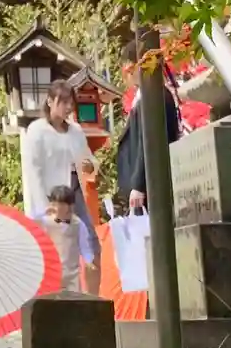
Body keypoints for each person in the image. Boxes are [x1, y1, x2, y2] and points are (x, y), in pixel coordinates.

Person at [20, 79, 100, 294]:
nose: (68, 107)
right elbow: (33, 170)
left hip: (74, 191)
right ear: (50, 101)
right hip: (51, 197)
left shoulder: (75, 130)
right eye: (63, 102)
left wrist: (90, 165)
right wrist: (42, 205)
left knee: (91, 242)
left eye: (70, 103)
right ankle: (53, 296)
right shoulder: (37, 130)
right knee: (56, 247)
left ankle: (93, 298)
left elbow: (89, 158)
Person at [117, 45, 182, 213]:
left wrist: (138, 185)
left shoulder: (155, 96)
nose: (127, 74)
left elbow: (150, 142)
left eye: (129, 68)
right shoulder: (144, 96)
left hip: (150, 185)